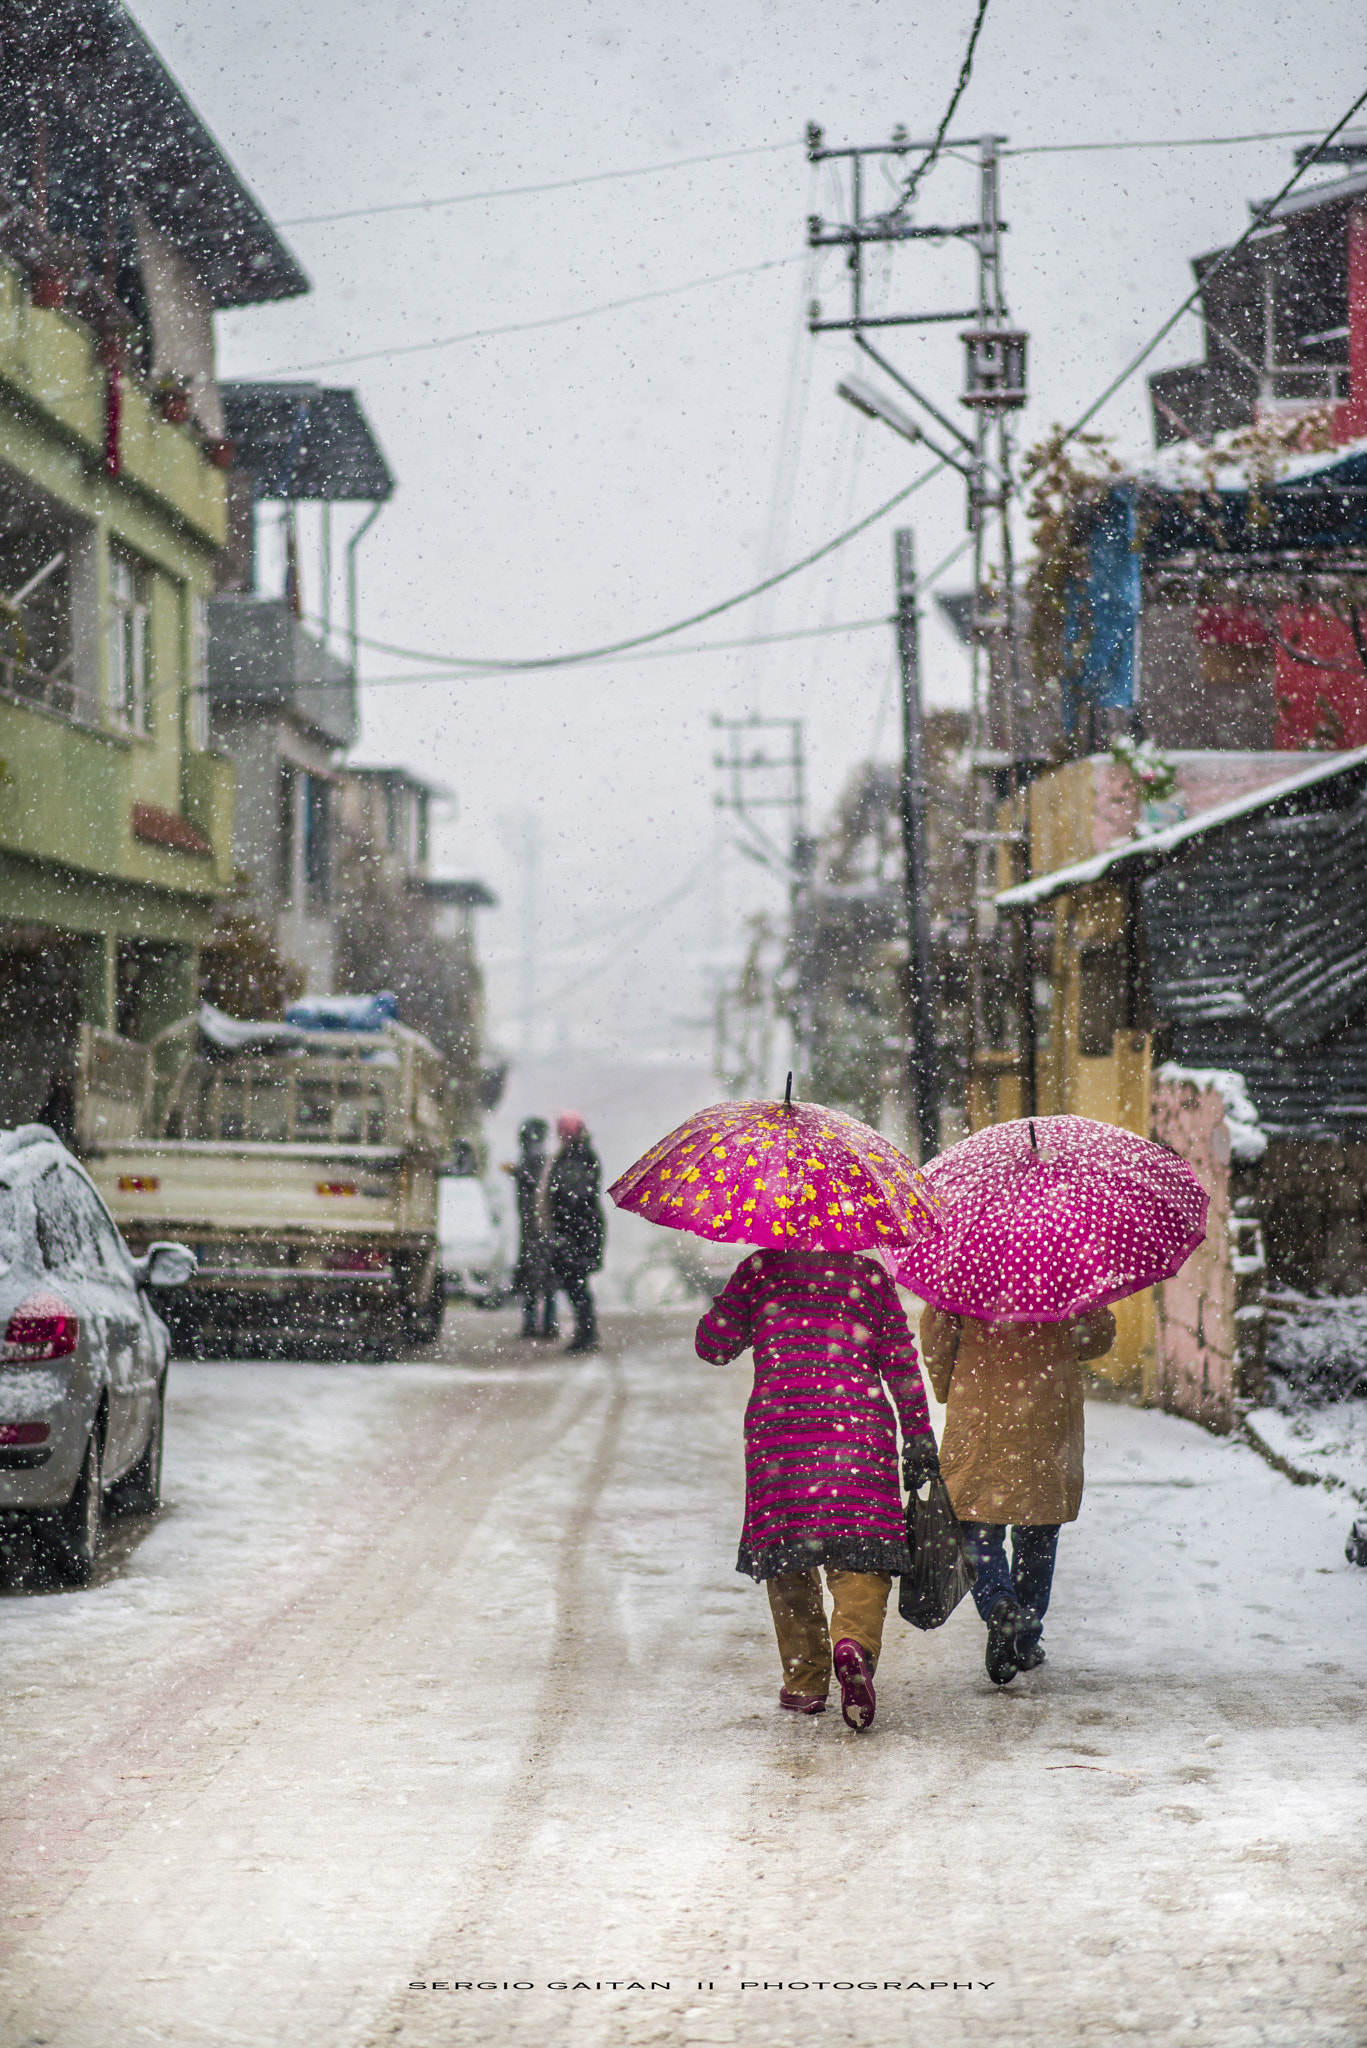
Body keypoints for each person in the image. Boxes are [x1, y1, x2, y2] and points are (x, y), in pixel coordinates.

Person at [695, 1248, 938, 1731]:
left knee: (789, 1556)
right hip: (857, 1430)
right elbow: (900, 1362)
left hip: (780, 1434)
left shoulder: (759, 1270)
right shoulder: (868, 1276)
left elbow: (713, 1346)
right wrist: (918, 1433)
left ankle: (805, 1679)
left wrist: (726, 1305)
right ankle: (853, 1642)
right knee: (863, 1552)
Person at [918, 1304, 1117, 1687]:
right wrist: (1061, 1346)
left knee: (976, 1522)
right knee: (1039, 1530)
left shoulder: (963, 1264)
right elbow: (1097, 1337)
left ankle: (999, 1604)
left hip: (980, 1409)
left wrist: (946, 1384)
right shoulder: (1065, 1263)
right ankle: (1025, 1637)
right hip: (1049, 1409)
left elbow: (937, 1340)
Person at [543, 1113, 606, 1354]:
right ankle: (586, 1332)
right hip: (579, 1229)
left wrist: (565, 1225)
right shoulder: (579, 1153)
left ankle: (586, 1333)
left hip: (578, 1231)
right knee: (576, 1284)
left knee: (576, 1283)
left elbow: (574, 1194)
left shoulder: (577, 1155)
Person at [503, 1118, 557, 1340]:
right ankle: (545, 1324)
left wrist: (517, 1173)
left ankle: (535, 1324)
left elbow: (536, 1185)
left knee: (534, 1279)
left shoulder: (534, 1158)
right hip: (537, 1226)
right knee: (542, 1279)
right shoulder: (539, 1157)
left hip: (536, 1227)